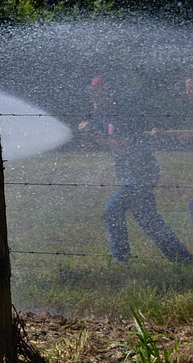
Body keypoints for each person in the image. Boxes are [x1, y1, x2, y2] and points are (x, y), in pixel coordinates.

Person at [78, 76, 191, 263]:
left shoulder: (124, 114)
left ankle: (121, 260)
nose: (95, 100)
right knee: (147, 217)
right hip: (127, 174)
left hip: (143, 172)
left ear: (110, 94)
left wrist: (95, 137)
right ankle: (182, 258)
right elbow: (95, 146)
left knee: (112, 210)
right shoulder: (97, 116)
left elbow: (125, 146)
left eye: (99, 95)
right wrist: (87, 138)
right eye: (92, 95)